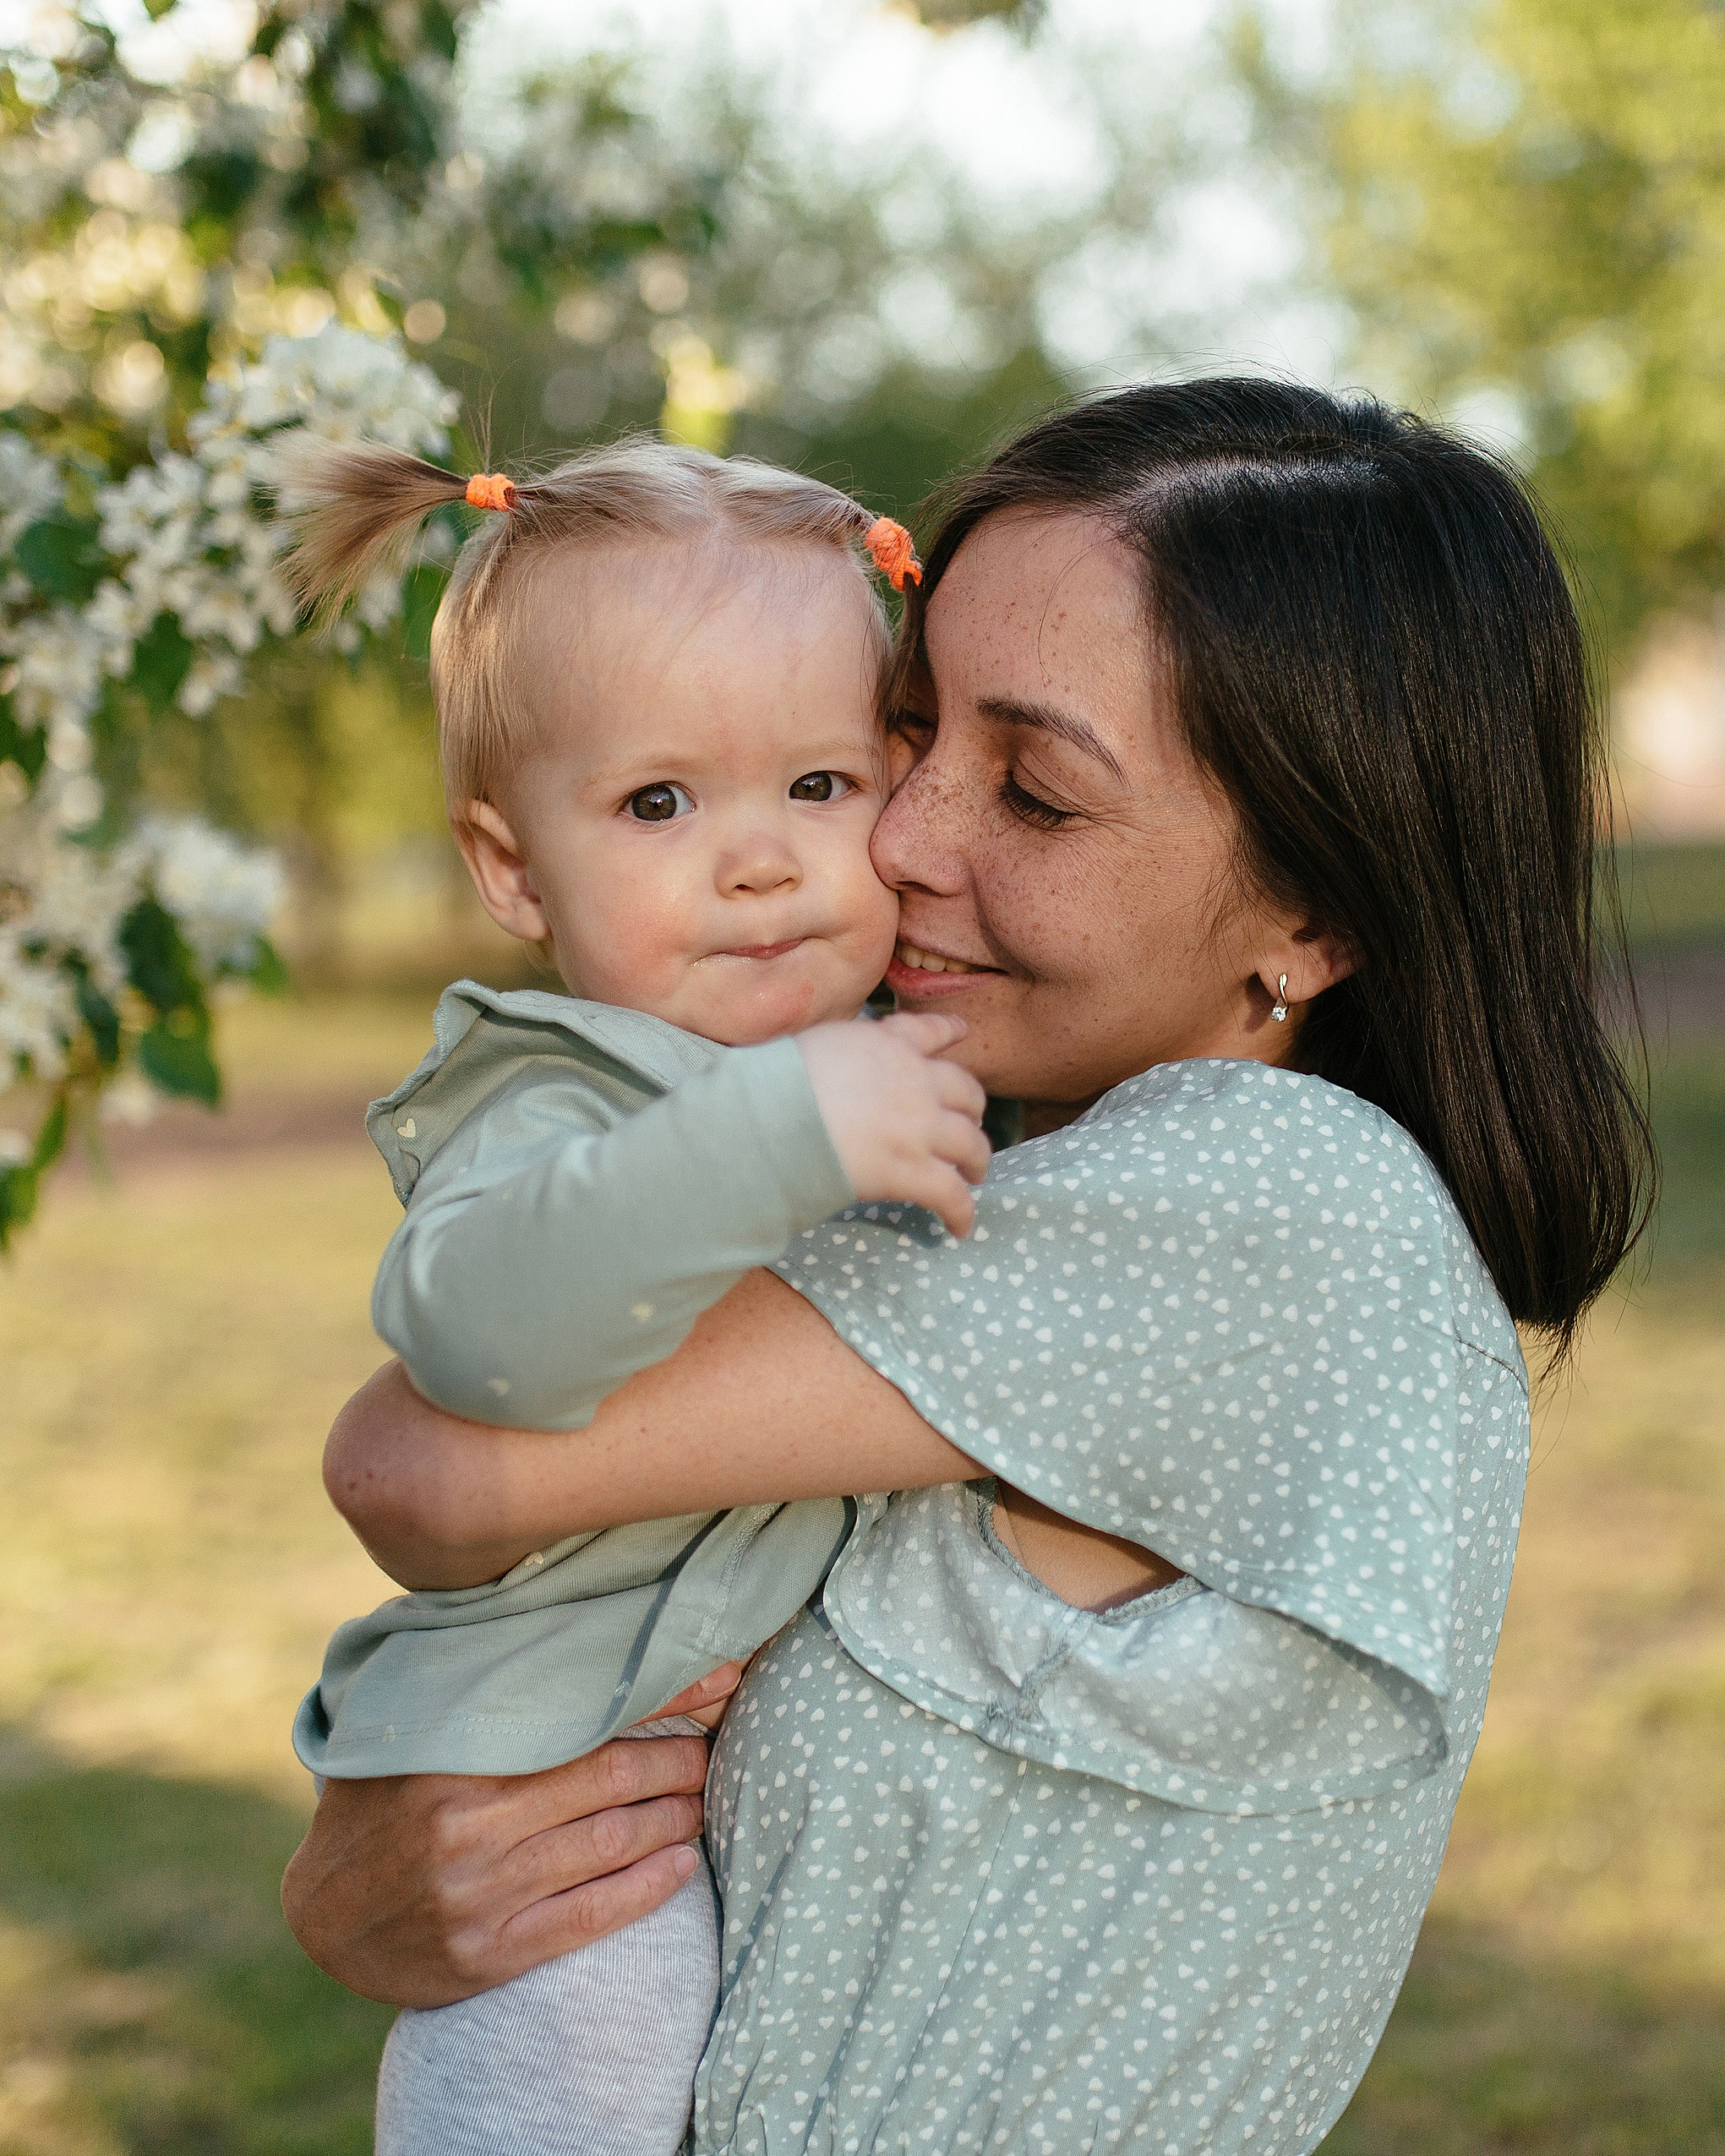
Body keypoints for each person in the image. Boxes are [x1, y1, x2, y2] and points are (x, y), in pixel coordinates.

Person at [285, 379, 1653, 2155]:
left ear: (1313, 919)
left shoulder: (1266, 1199)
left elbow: (414, 1464)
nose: (902, 841)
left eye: (1039, 793)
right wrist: (399, 1876)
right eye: (908, 732)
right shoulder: (1006, 1172)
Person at [276, 434, 991, 2156]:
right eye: (659, 801)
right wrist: (782, 1135)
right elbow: (475, 1325)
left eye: (818, 787)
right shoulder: (562, 1099)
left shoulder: (878, 1063)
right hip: (556, 1830)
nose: (756, 860)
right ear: (512, 869)